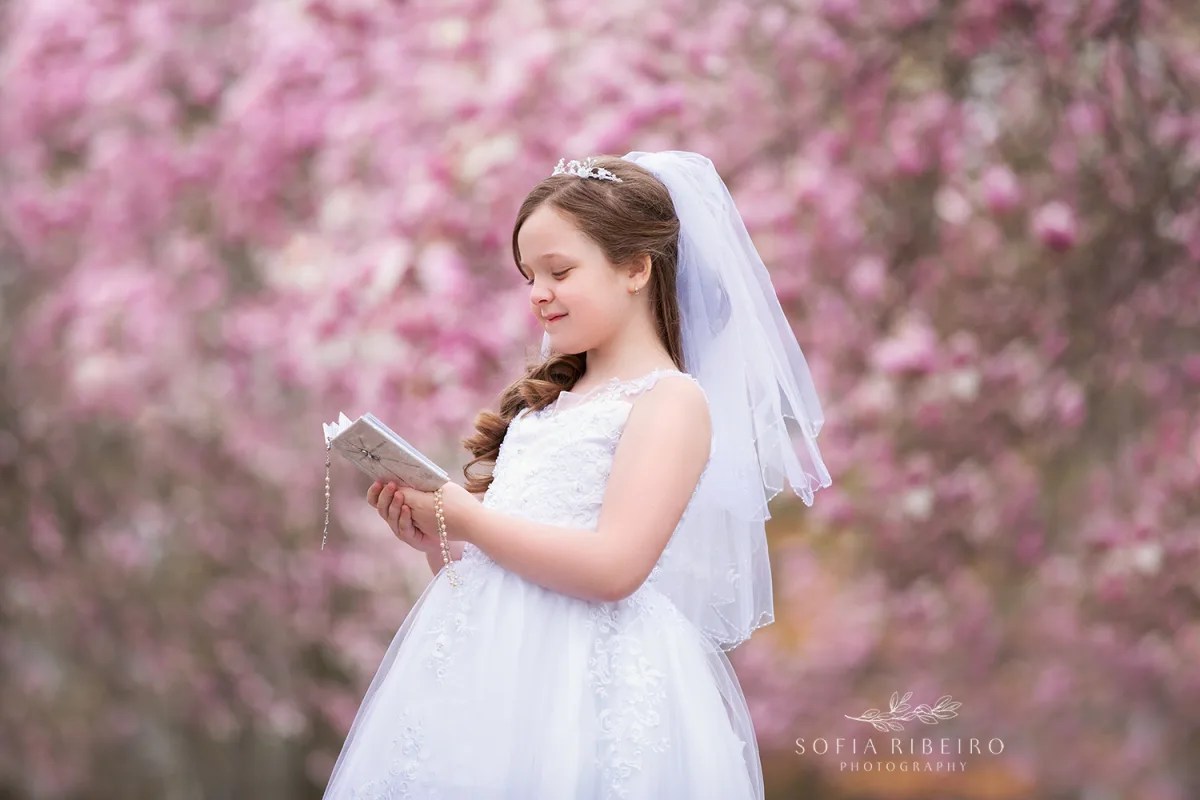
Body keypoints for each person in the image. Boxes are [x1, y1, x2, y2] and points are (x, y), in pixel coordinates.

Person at [321, 151, 831, 799]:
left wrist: (468, 515)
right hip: (491, 673)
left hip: (590, 680)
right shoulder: (545, 408)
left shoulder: (670, 400)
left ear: (636, 268)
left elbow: (615, 567)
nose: (538, 293)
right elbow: (505, 559)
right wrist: (439, 541)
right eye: (529, 276)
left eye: (559, 271)